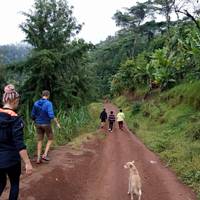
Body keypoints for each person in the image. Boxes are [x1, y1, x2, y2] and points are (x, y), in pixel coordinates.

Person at [0, 84, 33, 200]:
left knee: (1, 183)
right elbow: (19, 144)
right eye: (18, 101)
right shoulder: (15, 119)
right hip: (11, 159)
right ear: (14, 100)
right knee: (14, 184)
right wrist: (28, 163)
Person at [31, 90, 60, 164]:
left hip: (38, 124)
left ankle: (38, 158)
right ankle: (44, 155)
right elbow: (51, 115)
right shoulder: (48, 103)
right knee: (50, 138)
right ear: (48, 95)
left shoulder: (36, 103)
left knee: (39, 140)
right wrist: (57, 123)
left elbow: (32, 115)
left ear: (42, 95)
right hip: (46, 124)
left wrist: (35, 120)